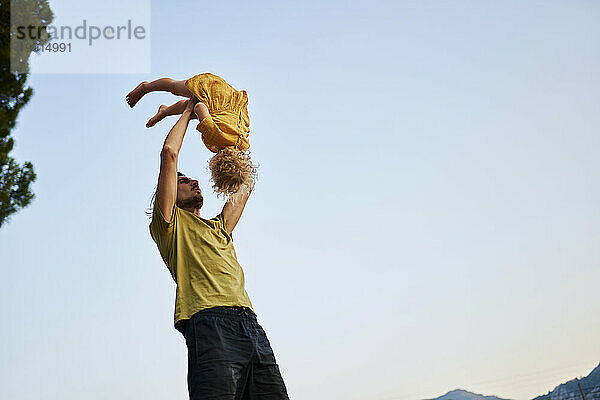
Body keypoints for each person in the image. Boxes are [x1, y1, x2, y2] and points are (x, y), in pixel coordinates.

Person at [147, 99, 289, 399]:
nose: (193, 181)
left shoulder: (220, 227)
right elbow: (169, 154)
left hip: (251, 326)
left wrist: (230, 139)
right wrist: (190, 106)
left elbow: (245, 184)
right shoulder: (170, 227)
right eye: (183, 182)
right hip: (210, 324)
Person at [127, 73, 255, 198]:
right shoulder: (215, 137)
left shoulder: (242, 144)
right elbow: (199, 107)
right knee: (175, 87)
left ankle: (164, 111)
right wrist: (201, 117)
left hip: (229, 99)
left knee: (190, 108)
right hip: (213, 90)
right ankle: (146, 87)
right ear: (216, 165)